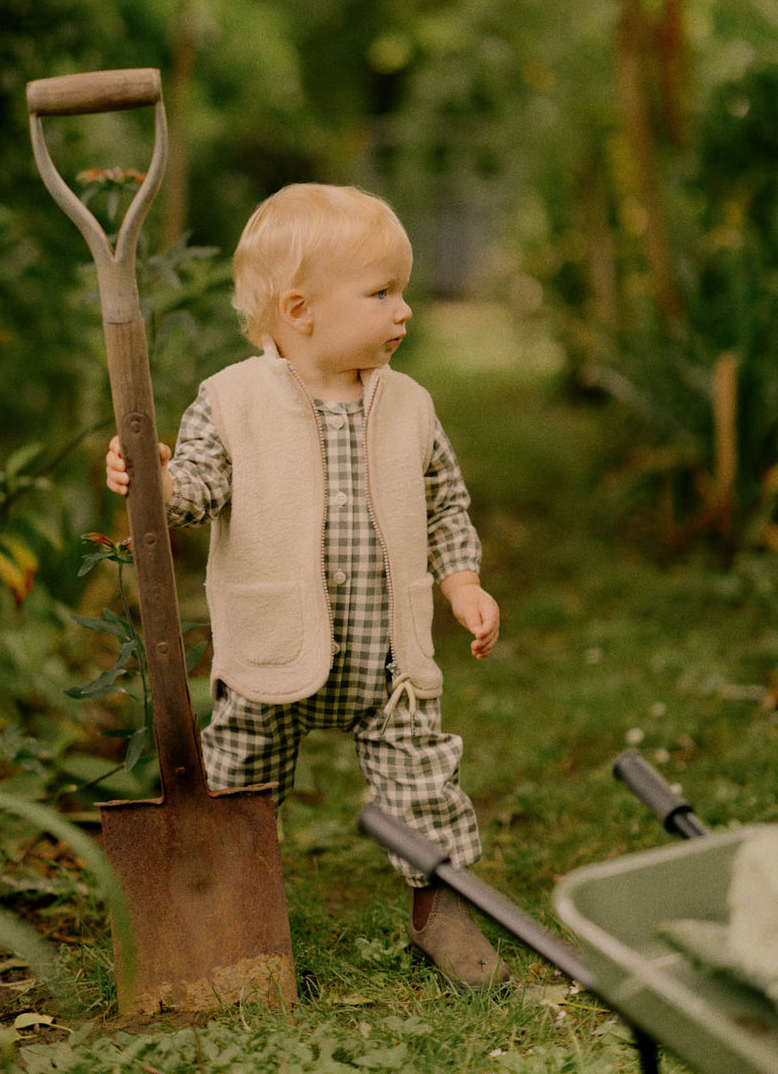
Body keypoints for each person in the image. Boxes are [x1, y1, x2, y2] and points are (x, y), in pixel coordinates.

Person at [105, 183, 509, 988]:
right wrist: (151, 477)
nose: (404, 312)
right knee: (236, 783)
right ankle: (227, 914)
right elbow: (194, 492)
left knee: (424, 781)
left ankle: (443, 907)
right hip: (271, 648)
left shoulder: (412, 406)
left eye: (403, 292)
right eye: (382, 293)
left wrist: (461, 580)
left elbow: (445, 504)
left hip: (386, 661)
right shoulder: (231, 403)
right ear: (300, 308)